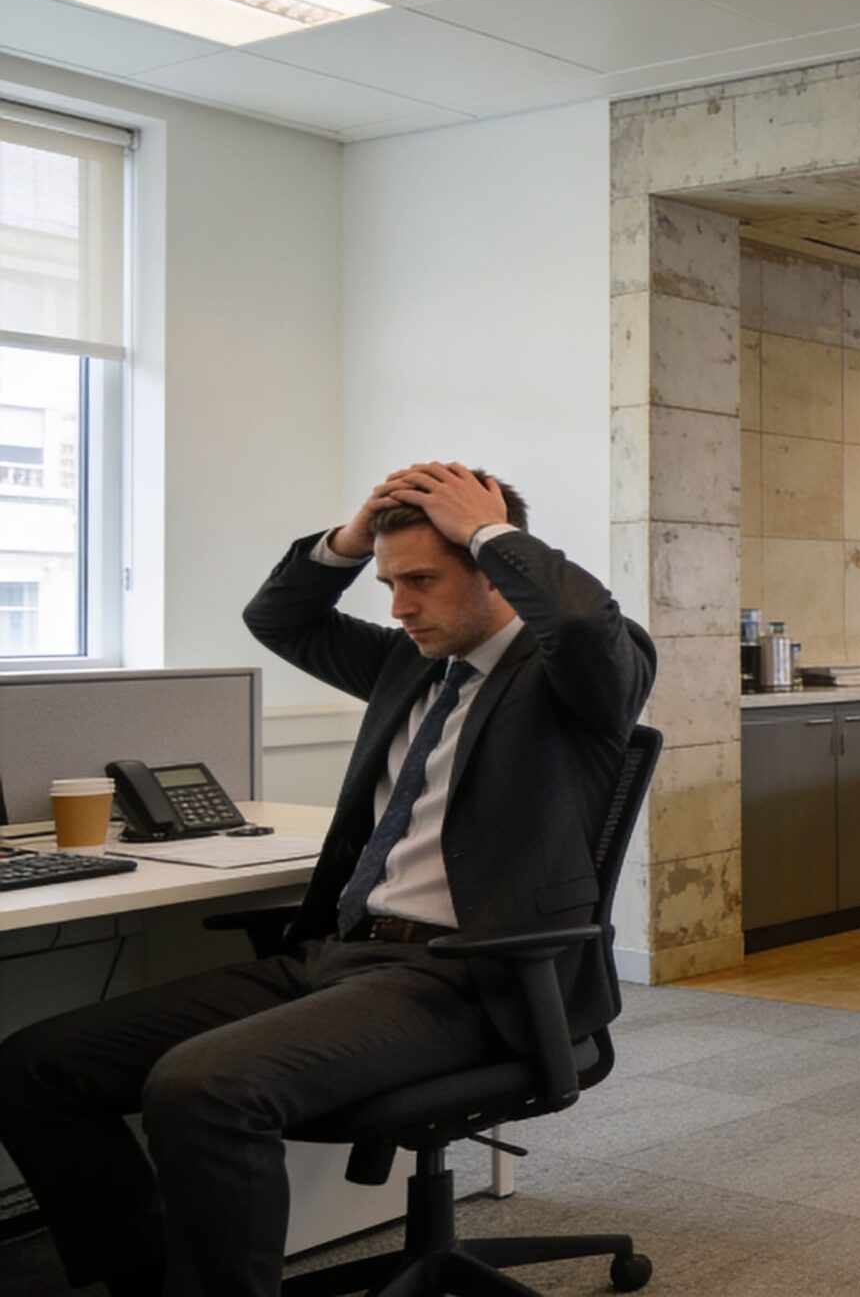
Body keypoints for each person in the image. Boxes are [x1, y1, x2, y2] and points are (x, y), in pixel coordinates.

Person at [0, 463, 654, 1297]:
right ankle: (147, 1279)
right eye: (388, 583)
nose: (399, 606)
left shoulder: (580, 678)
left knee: (203, 1088)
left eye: (421, 580)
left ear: (494, 571)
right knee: (37, 1066)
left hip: (471, 978)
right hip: (338, 956)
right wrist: (353, 536)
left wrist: (493, 529)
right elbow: (277, 616)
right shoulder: (409, 664)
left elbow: (581, 620)